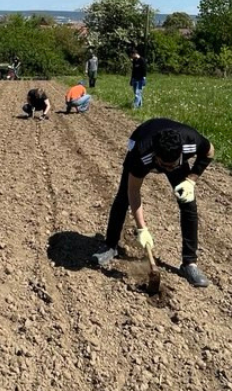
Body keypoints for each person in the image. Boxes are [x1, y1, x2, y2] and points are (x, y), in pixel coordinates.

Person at [91, 117, 214, 288]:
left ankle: (189, 263)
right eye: (165, 165)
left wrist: (191, 180)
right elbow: (133, 191)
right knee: (123, 197)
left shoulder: (191, 141)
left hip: (172, 148)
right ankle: (110, 245)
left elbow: (210, 152)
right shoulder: (141, 155)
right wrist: (142, 229)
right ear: (156, 157)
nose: (169, 170)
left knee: (188, 203)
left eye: (173, 165)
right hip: (142, 135)